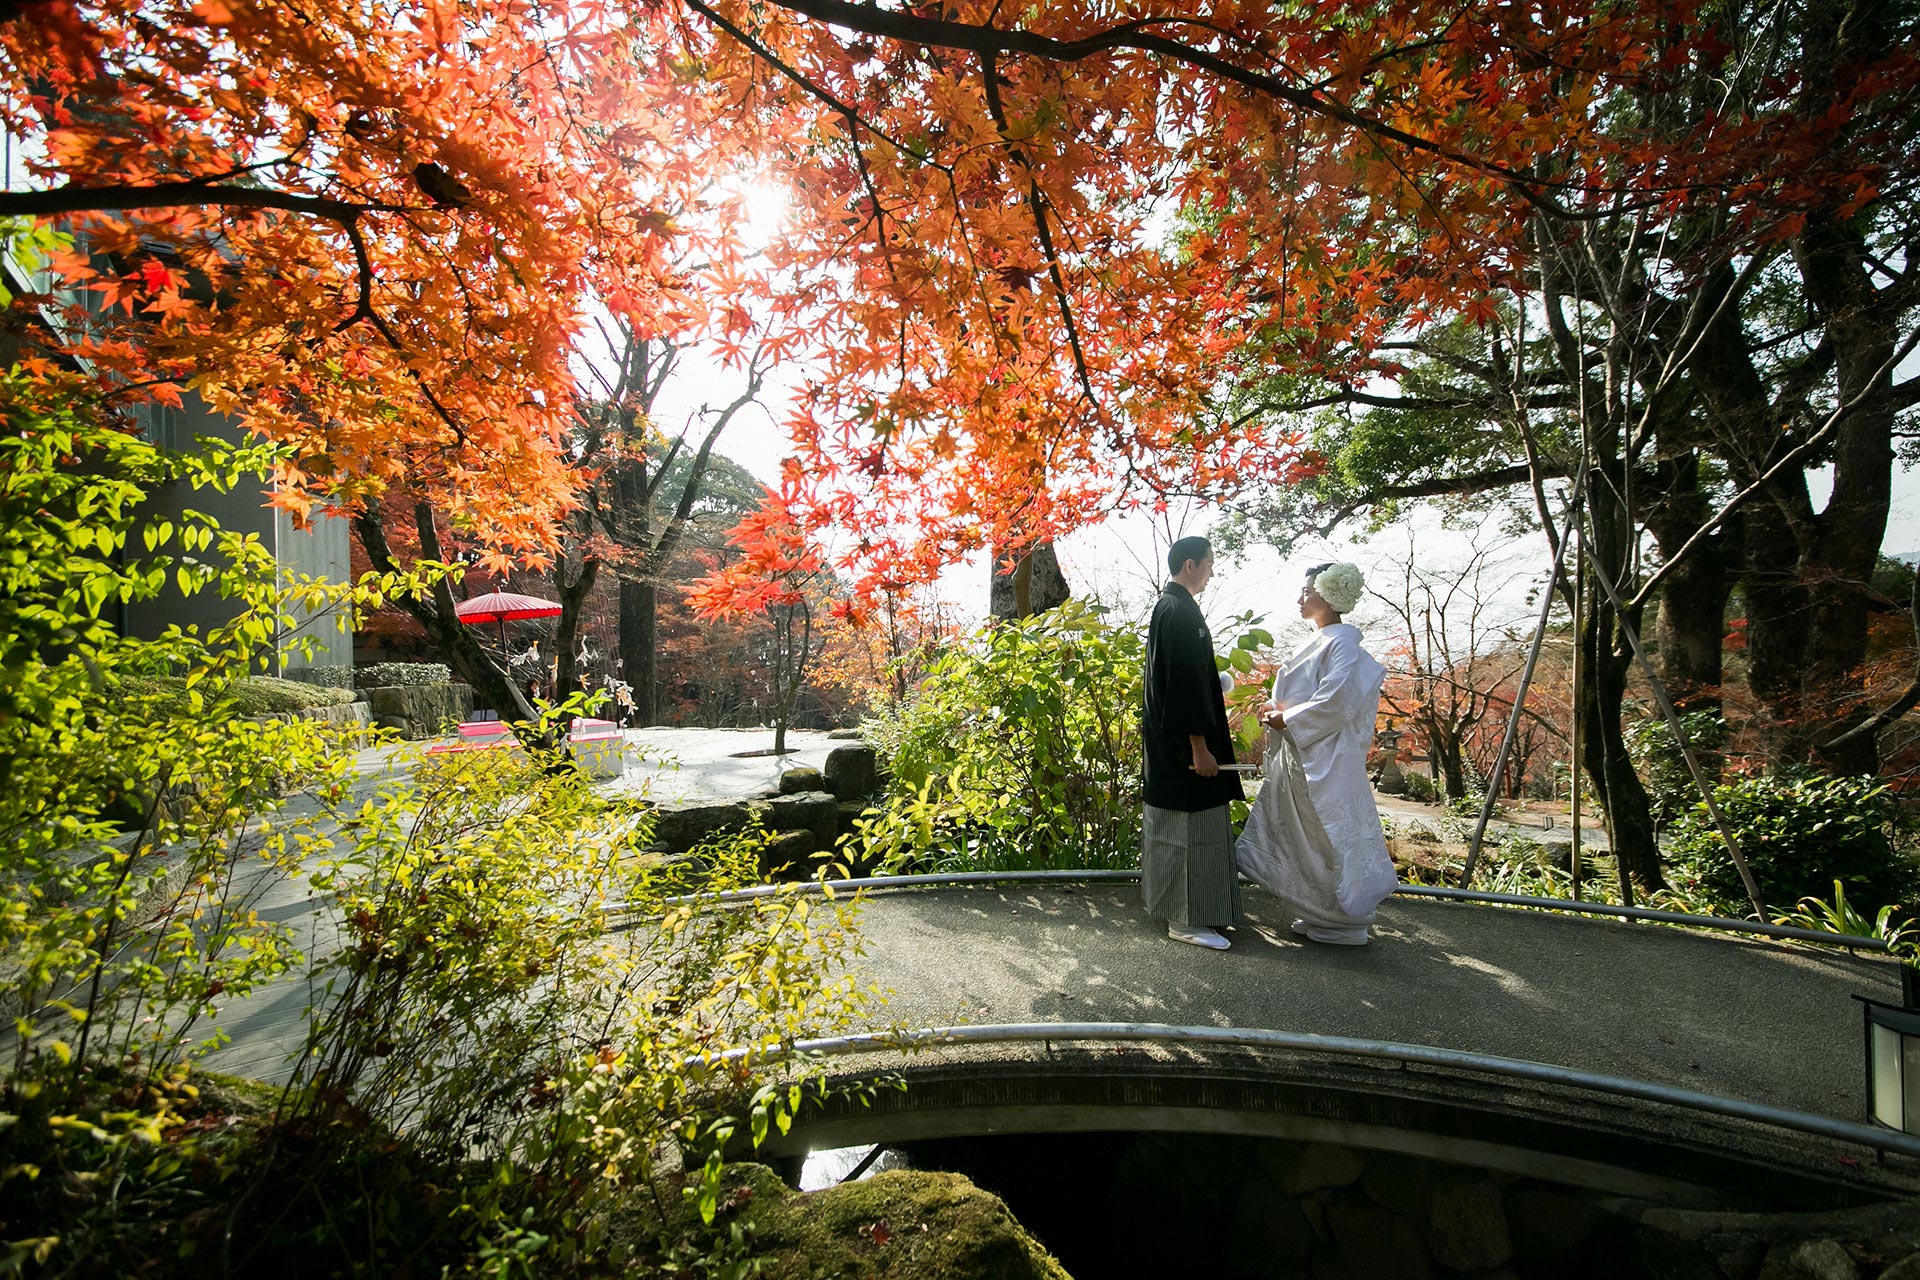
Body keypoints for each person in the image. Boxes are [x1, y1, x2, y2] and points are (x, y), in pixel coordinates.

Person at [1236, 562, 1398, 946]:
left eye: (1307, 592)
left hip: (1322, 757)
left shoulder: (1341, 642)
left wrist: (1286, 717)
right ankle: (1319, 910)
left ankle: (1345, 918)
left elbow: (1337, 699)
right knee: (1307, 835)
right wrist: (1278, 714)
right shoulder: (1326, 640)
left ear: (1327, 595)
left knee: (1325, 835)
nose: (1300, 598)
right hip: (1304, 752)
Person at [1142, 535, 1245, 950]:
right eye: (1209, 565)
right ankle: (1186, 920)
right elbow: (1182, 686)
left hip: (1175, 743)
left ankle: (1196, 912)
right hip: (1183, 748)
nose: (1211, 572)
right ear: (1190, 565)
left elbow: (1183, 677)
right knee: (1185, 830)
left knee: (1192, 830)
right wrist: (1200, 747)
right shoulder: (1178, 611)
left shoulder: (1174, 608)